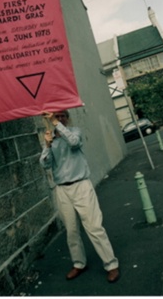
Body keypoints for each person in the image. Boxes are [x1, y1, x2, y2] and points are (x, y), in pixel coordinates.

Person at [39, 110, 120, 283]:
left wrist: (55, 123)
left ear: (67, 118)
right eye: (56, 116)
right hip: (62, 189)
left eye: (62, 116)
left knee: (94, 227)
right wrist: (46, 146)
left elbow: (74, 143)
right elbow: (45, 165)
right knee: (71, 230)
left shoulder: (75, 132)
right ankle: (79, 263)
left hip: (81, 185)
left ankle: (111, 265)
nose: (59, 119)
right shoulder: (51, 138)